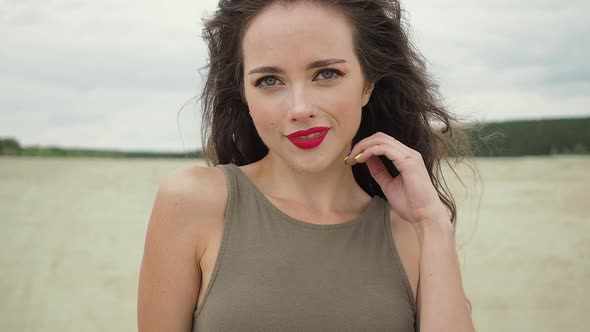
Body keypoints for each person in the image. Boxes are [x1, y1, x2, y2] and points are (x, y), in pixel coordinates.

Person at [138, 0, 476, 331]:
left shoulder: (412, 232)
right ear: (244, 93)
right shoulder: (193, 202)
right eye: (269, 80)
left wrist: (433, 224)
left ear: (368, 84)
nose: (300, 108)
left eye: (326, 73)